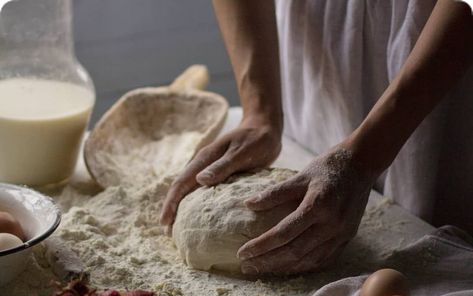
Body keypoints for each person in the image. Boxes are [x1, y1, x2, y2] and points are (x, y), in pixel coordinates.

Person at [161, 0, 473, 275]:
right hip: (316, 40)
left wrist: (362, 158)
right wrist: (260, 111)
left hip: (436, 57)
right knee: (314, 198)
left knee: (433, 243)